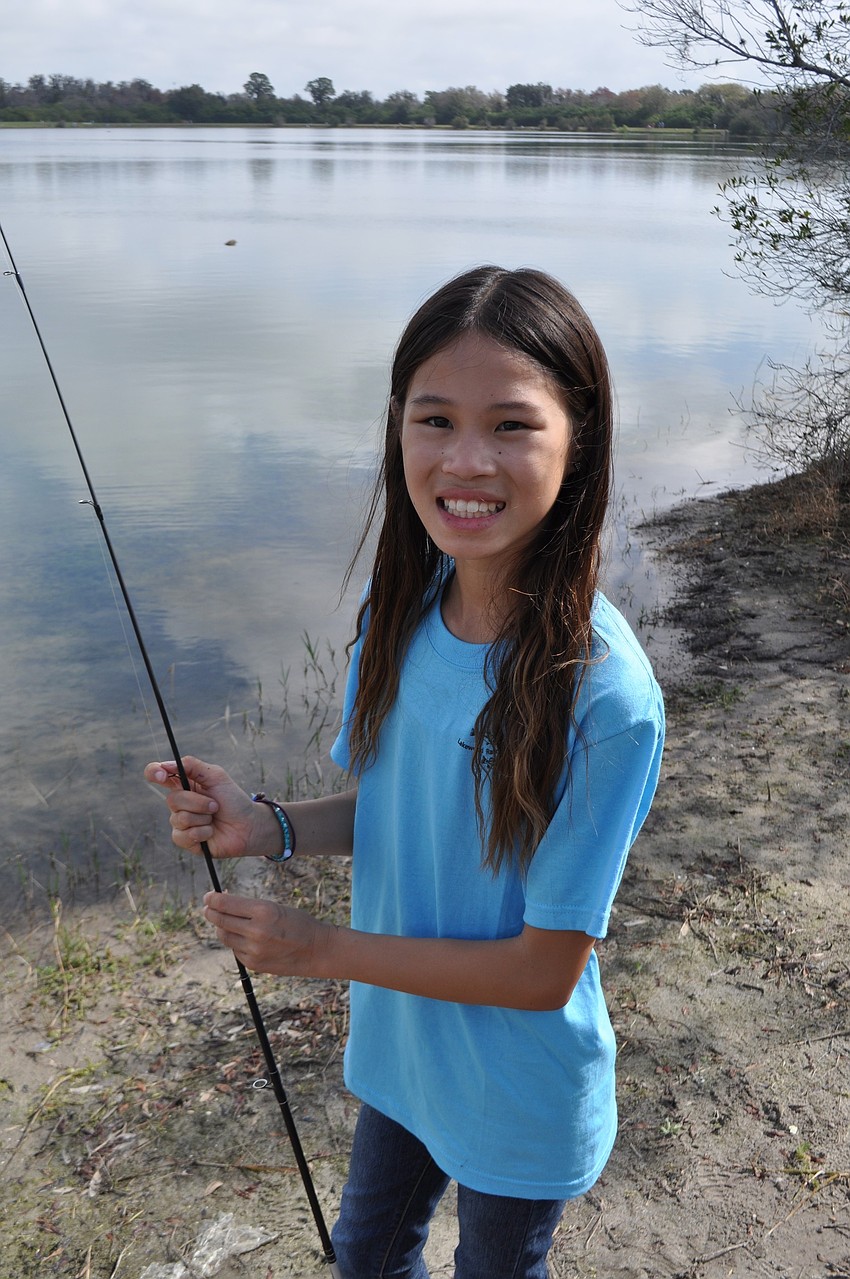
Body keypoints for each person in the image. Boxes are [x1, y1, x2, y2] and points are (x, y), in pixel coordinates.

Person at [144, 265, 664, 1279]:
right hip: (401, 1054)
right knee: (366, 1258)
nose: (466, 460)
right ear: (397, 430)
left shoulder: (607, 697)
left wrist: (321, 947)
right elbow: (398, 806)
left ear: (579, 439)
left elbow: (539, 968)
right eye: (434, 419)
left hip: (517, 1089)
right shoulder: (406, 606)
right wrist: (267, 825)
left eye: (511, 425)